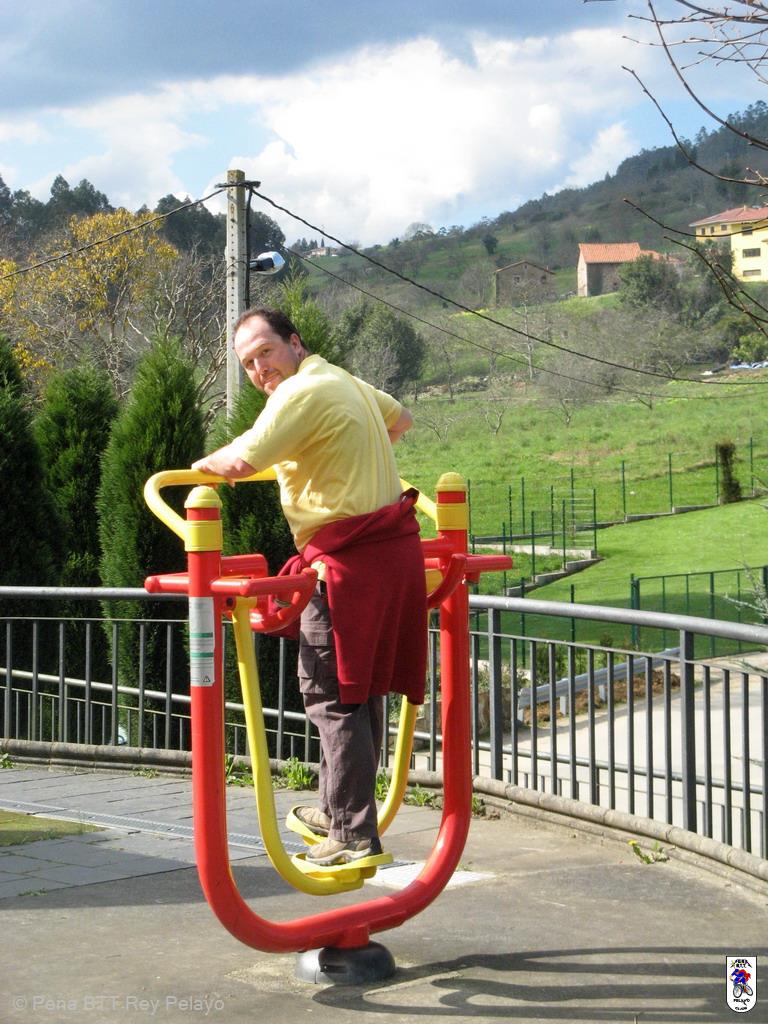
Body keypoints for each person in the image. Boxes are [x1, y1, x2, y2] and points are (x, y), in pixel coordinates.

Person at [192, 308, 427, 866]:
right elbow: (402, 420)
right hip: (391, 552)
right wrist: (332, 454)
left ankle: (352, 833)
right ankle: (339, 808)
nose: (259, 369)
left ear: (294, 344)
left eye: (266, 352)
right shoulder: (342, 380)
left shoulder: (297, 394)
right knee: (360, 688)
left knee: (330, 691)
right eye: (248, 363)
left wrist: (202, 466)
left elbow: (240, 460)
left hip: (346, 561)